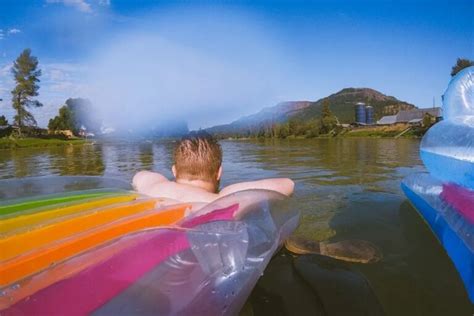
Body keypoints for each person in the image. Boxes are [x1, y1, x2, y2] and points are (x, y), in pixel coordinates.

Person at [132, 132, 294, 207]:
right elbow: (287, 184)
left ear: (174, 171)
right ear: (219, 173)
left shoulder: (155, 186)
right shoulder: (219, 200)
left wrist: (162, 182)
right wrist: (230, 190)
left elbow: (138, 176)